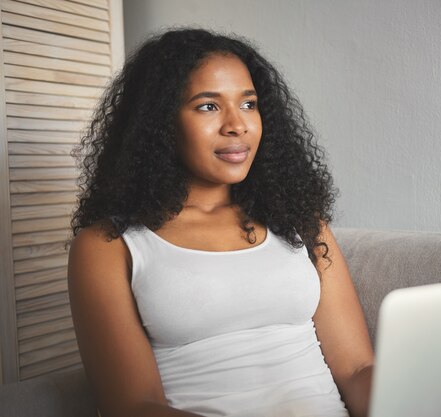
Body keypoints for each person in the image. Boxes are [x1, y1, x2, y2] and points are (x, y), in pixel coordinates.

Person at [68, 28, 374, 417]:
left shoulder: (300, 222)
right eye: (208, 106)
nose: (237, 125)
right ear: (160, 124)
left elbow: (357, 369)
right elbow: (132, 407)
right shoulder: (109, 245)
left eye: (248, 104)